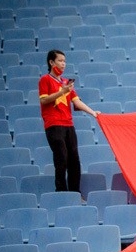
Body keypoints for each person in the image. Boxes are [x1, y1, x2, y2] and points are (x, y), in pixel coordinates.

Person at [38, 49, 100, 193]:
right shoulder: (45, 80)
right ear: (51, 62)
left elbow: (77, 102)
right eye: (60, 61)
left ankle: (75, 193)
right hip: (54, 125)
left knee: (74, 161)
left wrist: (93, 112)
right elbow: (44, 99)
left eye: (64, 61)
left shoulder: (66, 83)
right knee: (62, 159)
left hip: (68, 125)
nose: (63, 64)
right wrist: (61, 92)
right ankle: (61, 193)